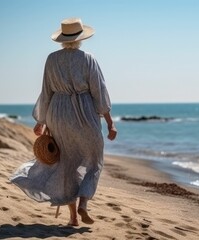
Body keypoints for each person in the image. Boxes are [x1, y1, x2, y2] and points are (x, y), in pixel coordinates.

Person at [10, 18, 117, 226]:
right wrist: (110, 123)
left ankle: (73, 218)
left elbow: (46, 91)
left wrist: (41, 120)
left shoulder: (51, 59)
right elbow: (99, 92)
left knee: (65, 164)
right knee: (94, 160)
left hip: (57, 114)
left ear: (62, 39)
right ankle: (83, 203)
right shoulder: (88, 59)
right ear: (81, 38)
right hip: (84, 114)